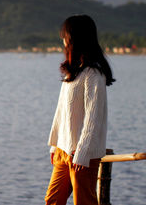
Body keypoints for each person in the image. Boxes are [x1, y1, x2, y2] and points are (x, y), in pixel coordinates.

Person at [45, 15, 115, 205]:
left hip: (83, 152)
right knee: (52, 200)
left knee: (84, 202)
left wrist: (82, 153)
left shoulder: (93, 73)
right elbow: (62, 111)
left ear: (76, 38)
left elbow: (93, 118)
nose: (63, 39)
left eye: (65, 35)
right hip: (63, 149)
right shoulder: (73, 72)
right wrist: (55, 145)